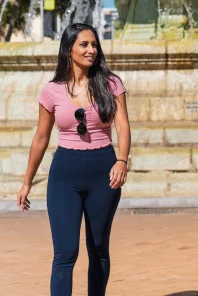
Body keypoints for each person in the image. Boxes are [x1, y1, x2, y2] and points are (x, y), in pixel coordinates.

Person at [17, 23, 131, 296]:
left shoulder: (111, 84)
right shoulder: (52, 90)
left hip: (103, 171)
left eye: (94, 45)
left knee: (99, 248)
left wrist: (122, 161)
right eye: (84, 44)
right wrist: (26, 183)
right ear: (69, 49)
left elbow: (123, 126)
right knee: (65, 253)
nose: (91, 50)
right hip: (64, 175)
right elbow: (41, 138)